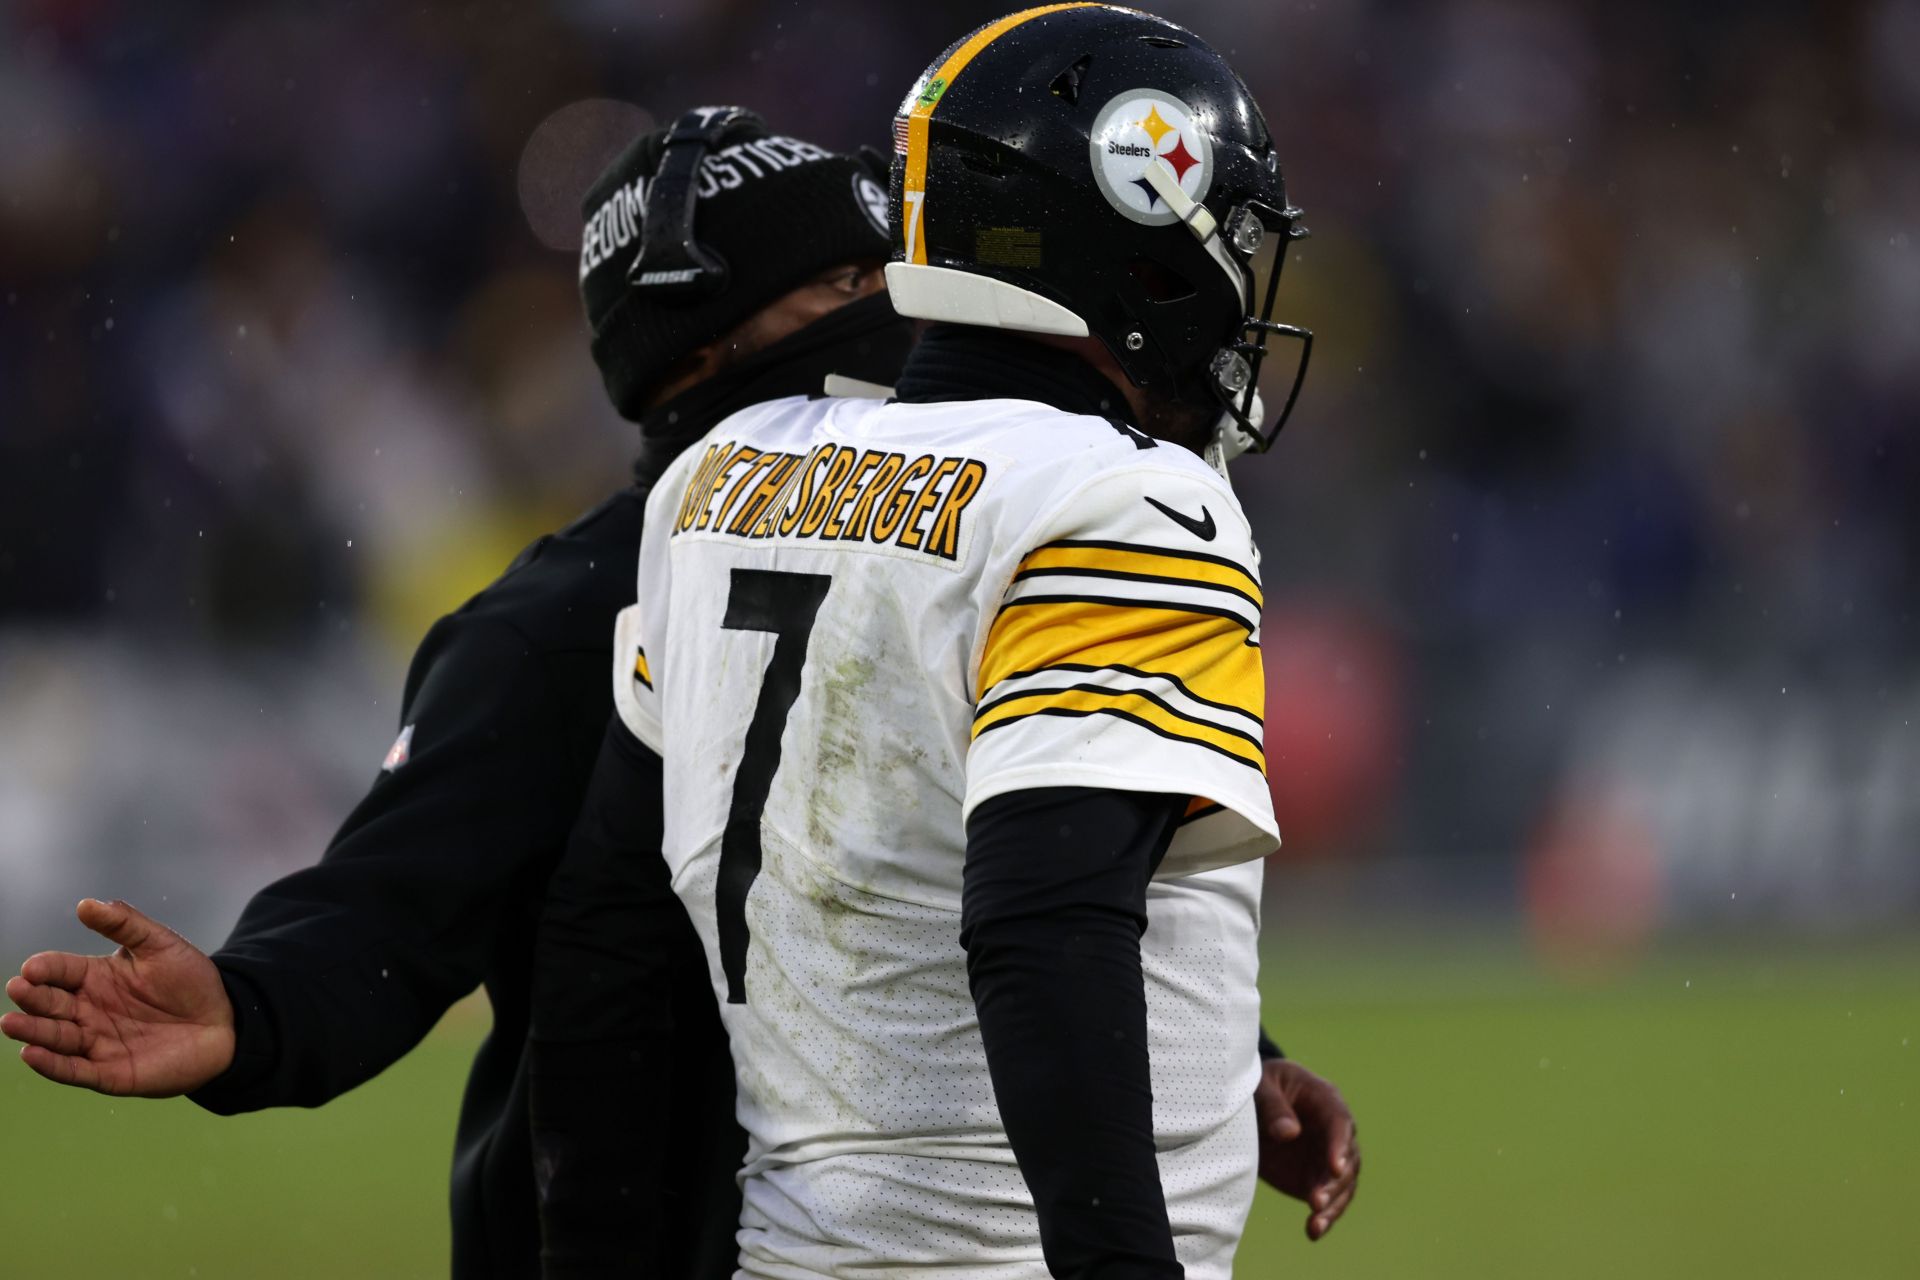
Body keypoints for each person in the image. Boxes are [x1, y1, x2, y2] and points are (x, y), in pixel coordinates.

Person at [0, 109, 913, 1279]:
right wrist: (253, 1004)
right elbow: (389, 905)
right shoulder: (562, 626)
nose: (892, 309)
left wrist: (1223, 1077)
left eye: (887, 270)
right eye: (843, 277)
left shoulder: (961, 562)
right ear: (695, 341)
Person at [531, 8, 1359, 1278]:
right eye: (1225, 243)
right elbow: (1044, 930)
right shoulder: (1120, 497)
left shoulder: (715, 480)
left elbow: (606, 948)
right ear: (1139, 245)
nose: (1237, 290)